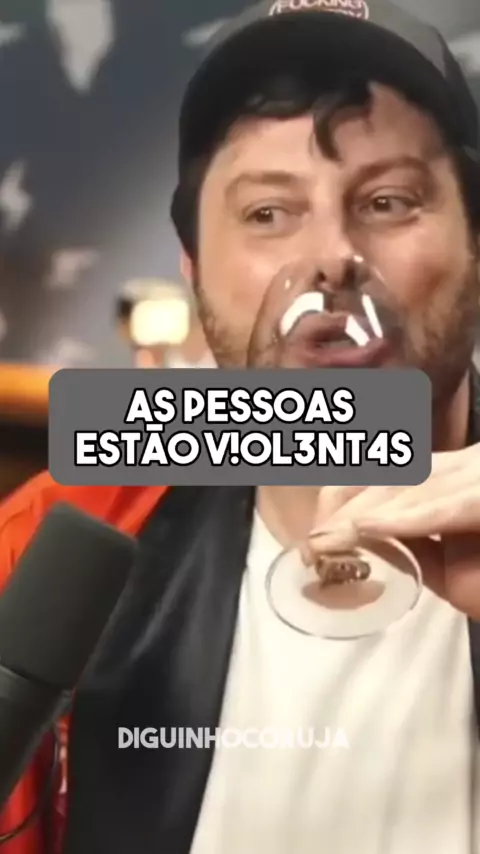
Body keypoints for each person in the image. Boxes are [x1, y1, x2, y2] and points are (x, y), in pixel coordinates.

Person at [2, 1, 480, 852]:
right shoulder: (56, 548)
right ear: (192, 269)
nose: (330, 257)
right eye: (267, 213)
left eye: (389, 200)